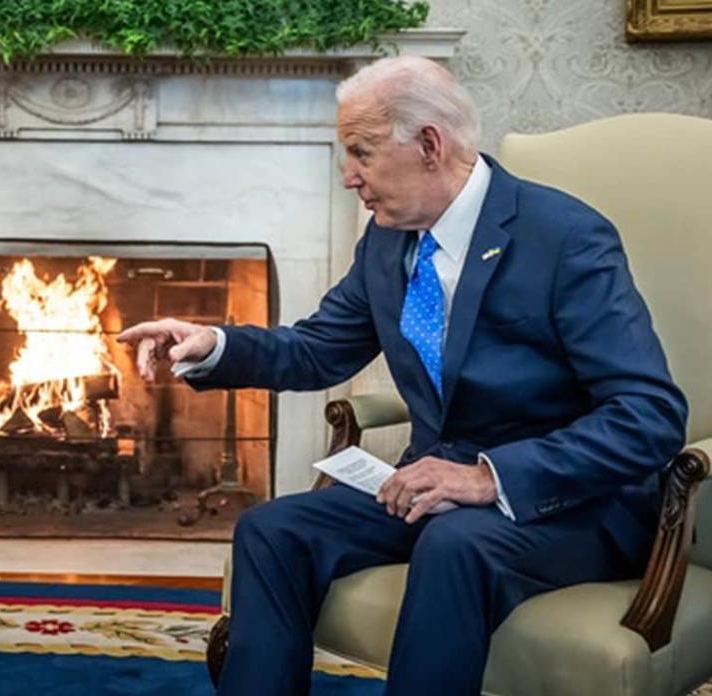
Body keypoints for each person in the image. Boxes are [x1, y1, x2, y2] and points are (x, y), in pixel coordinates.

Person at [118, 56, 687, 695]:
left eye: (360, 152)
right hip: (432, 484)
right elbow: (315, 350)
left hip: (573, 507)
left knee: (454, 543)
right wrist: (212, 345)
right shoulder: (389, 239)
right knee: (272, 529)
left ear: (429, 145)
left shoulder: (565, 237)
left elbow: (649, 415)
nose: (347, 177)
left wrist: (486, 478)